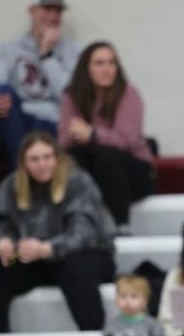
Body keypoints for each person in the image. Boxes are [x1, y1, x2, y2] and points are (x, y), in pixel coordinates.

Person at [0, 132, 116, 333]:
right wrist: (3, 243)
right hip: (31, 258)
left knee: (76, 269)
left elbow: (84, 232)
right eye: (34, 159)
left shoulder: (78, 182)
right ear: (23, 162)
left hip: (86, 254)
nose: (42, 164)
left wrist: (48, 249)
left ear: (57, 157)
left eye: (47, 157)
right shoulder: (11, 185)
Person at [58, 41, 153, 231]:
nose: (107, 69)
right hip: (94, 169)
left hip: (133, 171)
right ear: (86, 68)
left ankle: (121, 225)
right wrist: (77, 135)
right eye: (99, 63)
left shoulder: (129, 93)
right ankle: (76, 225)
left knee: (106, 155)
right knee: (73, 158)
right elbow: (62, 141)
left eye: (111, 63)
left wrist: (93, 134)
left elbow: (127, 140)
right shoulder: (71, 96)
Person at [0, 0, 81, 169]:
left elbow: (70, 96)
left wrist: (47, 55)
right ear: (32, 11)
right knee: (3, 91)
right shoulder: (10, 49)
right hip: (22, 121)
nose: (52, 16)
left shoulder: (75, 51)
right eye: (47, 9)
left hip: (57, 122)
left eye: (58, 11)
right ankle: (20, 173)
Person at [102, 274, 168, 336]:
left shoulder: (151, 323)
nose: (127, 301)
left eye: (134, 296)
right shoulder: (112, 324)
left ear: (145, 301)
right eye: (123, 296)